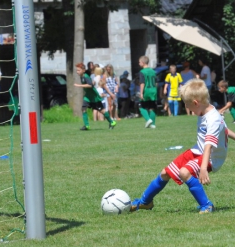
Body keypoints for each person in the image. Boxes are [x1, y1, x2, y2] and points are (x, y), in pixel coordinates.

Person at [130, 78, 235, 214]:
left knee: (184, 172)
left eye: (187, 104)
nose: (186, 107)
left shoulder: (213, 118)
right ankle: (145, 202)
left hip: (211, 157)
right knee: (165, 173)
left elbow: (209, 144)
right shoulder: (206, 111)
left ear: (196, 103)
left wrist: (203, 168)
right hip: (198, 150)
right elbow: (225, 130)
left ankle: (207, 205)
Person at [74, 63, 116, 130]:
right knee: (83, 109)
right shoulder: (82, 76)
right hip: (88, 97)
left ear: (83, 70)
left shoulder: (86, 76)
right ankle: (86, 126)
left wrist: (79, 85)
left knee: (102, 111)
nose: (77, 72)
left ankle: (112, 122)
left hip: (94, 97)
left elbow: (90, 85)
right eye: (77, 70)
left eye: (78, 70)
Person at [138, 55, 157, 129]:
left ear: (142, 63)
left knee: (141, 106)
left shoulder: (142, 72)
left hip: (146, 90)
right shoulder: (153, 71)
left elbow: (142, 83)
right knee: (152, 107)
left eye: (139, 62)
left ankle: (148, 119)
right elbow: (156, 82)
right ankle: (153, 124)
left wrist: (141, 93)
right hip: (153, 90)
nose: (139, 63)